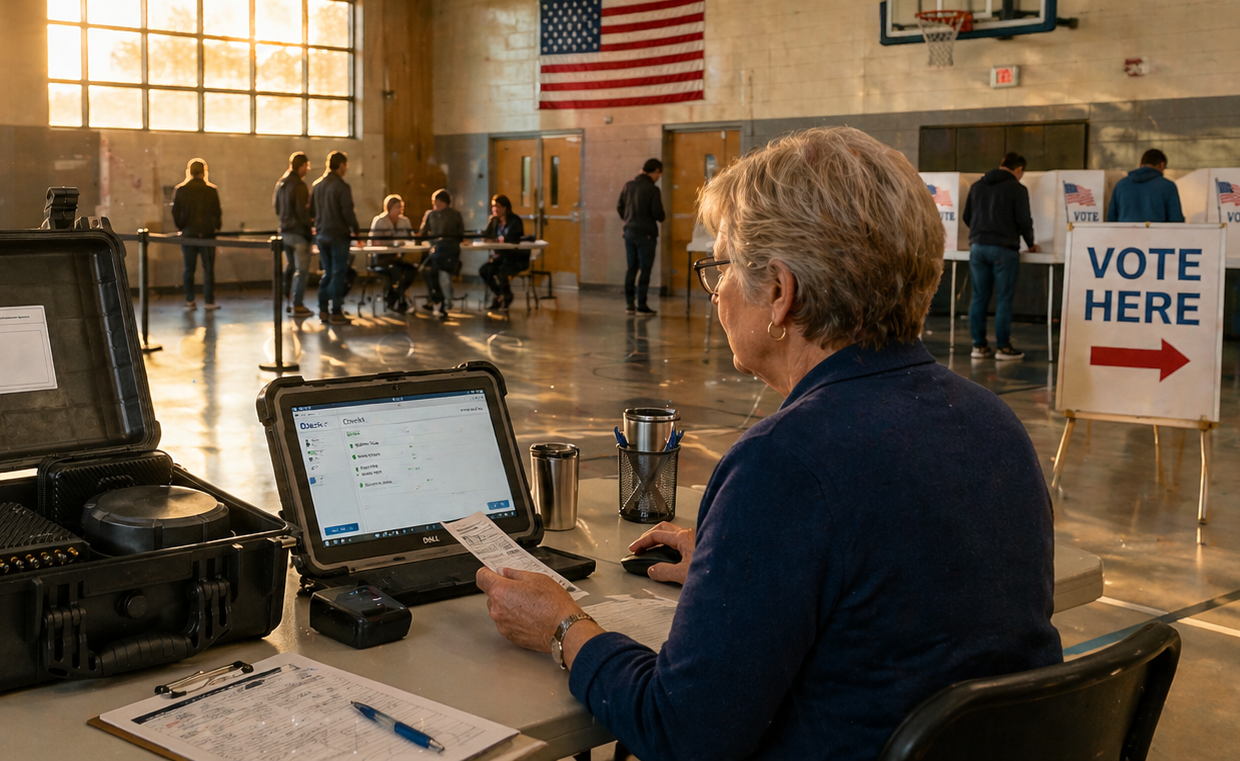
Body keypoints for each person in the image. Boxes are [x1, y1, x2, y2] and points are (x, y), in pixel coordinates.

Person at [474, 126, 1060, 761]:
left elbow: (683, 732)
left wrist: (563, 627)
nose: (717, 291)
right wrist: (740, 556)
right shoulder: (993, 423)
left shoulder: (786, 460)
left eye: (721, 267)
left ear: (779, 293)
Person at [962, 152, 1038, 361]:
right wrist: (1030, 244)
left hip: (977, 247)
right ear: (1019, 170)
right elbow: (1024, 220)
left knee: (978, 297)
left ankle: (979, 346)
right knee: (1004, 299)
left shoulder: (977, 186)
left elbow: (966, 216)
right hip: (1004, 249)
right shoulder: (1017, 189)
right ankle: (1003, 348)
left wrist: (981, 233)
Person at [311, 151, 359, 324]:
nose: (346, 168)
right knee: (339, 273)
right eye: (345, 165)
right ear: (341, 166)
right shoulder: (342, 186)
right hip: (338, 235)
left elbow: (312, 212)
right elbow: (347, 211)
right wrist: (356, 230)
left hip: (322, 235)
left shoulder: (317, 185)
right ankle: (336, 311)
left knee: (328, 272)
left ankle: (323, 308)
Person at [171, 158, 223, 310]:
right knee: (208, 269)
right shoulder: (211, 190)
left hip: (188, 234)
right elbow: (217, 212)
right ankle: (209, 301)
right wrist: (214, 227)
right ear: (204, 172)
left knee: (189, 268)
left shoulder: (181, 190)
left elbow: (175, 212)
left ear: (189, 171)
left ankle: (190, 300)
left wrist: (182, 226)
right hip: (207, 235)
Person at [617, 158, 665, 315]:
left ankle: (629, 305)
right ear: (655, 171)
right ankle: (642, 305)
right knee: (645, 269)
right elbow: (658, 213)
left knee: (631, 268)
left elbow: (620, 207)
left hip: (629, 233)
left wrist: (629, 220)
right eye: (659, 173)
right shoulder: (652, 190)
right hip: (647, 235)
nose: (659, 177)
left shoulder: (628, 186)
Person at [273, 152, 316, 316]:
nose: (308, 169)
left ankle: (287, 298)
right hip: (298, 234)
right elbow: (302, 212)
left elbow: (276, 207)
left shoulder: (281, 184)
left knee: (290, 266)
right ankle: (298, 304)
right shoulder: (299, 185)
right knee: (302, 270)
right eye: (307, 166)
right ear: (302, 166)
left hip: (284, 231)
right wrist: (308, 232)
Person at [417, 189, 464, 319]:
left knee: (436, 272)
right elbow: (423, 231)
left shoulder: (453, 215)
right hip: (438, 250)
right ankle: (437, 299)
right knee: (429, 271)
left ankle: (439, 300)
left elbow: (460, 234)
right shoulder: (431, 214)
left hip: (446, 251)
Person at [477, 194, 528, 313]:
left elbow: (514, 238)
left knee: (502, 272)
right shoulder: (494, 220)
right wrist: (485, 236)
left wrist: (499, 240)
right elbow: (487, 236)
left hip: (514, 258)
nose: (494, 209)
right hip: (500, 257)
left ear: (505, 208)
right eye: (493, 206)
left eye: (497, 206)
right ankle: (500, 294)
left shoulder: (515, 221)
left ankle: (507, 296)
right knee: (485, 270)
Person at [1107, 148, 1185, 223]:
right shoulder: (1168, 186)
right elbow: (1176, 221)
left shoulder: (1121, 185)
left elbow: (1111, 218)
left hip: (1125, 235)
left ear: (1140, 164)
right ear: (1162, 165)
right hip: (1156, 235)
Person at [368, 194, 417, 312]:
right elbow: (373, 242)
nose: (399, 209)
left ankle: (393, 298)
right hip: (382, 258)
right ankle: (401, 301)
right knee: (395, 271)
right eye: (396, 207)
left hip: (397, 256)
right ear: (389, 207)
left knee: (412, 270)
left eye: (400, 207)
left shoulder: (404, 221)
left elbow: (411, 239)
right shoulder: (379, 221)